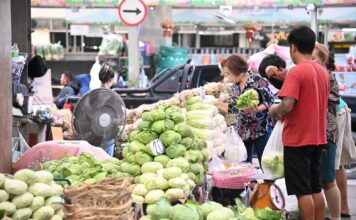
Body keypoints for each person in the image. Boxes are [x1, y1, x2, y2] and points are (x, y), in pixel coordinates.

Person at [269, 26, 329, 220]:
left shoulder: (297, 72)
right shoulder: (321, 72)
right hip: (318, 138)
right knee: (315, 188)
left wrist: (273, 110)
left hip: (298, 140)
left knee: (303, 192)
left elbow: (287, 105)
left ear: (293, 47)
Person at [220, 55, 274, 165]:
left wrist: (258, 108)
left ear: (237, 70)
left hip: (261, 129)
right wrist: (221, 107)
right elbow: (236, 106)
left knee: (265, 163)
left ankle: (267, 182)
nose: (227, 77)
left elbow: (270, 99)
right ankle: (249, 183)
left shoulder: (257, 80)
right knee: (243, 164)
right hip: (243, 130)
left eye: (228, 73)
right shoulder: (235, 86)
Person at [312, 43, 341, 220]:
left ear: (324, 59)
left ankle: (336, 217)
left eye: (314, 58)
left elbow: (333, 100)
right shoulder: (313, 75)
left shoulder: (328, 77)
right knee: (315, 181)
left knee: (328, 180)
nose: (311, 61)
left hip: (326, 133)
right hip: (313, 133)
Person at [98, 63, 116, 156]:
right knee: (107, 159)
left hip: (94, 131)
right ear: (111, 79)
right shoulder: (111, 95)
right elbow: (116, 113)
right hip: (108, 131)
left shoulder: (93, 94)